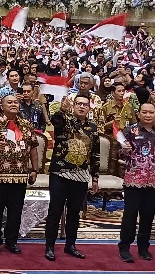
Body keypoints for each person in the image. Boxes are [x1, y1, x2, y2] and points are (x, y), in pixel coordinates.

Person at [44, 94, 100, 261]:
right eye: (78, 104)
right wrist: (62, 109)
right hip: (60, 173)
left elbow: (95, 154)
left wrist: (95, 178)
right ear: (74, 106)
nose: (81, 107)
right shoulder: (64, 121)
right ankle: (50, 246)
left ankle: (70, 245)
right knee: (55, 211)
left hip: (81, 175)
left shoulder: (93, 128)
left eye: (85, 105)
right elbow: (54, 120)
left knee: (75, 213)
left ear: (89, 108)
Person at [0, 95, 38, 255]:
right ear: (2, 106)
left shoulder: (26, 125)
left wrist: (34, 169)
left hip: (20, 175)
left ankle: (12, 241)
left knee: (16, 211)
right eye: (10, 102)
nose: (14, 104)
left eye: (16, 102)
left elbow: (33, 147)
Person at [117, 103, 155, 263]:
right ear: (139, 114)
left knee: (148, 216)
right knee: (130, 216)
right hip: (133, 181)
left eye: (150, 112)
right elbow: (119, 153)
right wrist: (123, 150)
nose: (147, 115)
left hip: (153, 182)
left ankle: (143, 247)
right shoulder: (130, 131)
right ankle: (124, 247)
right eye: (144, 112)